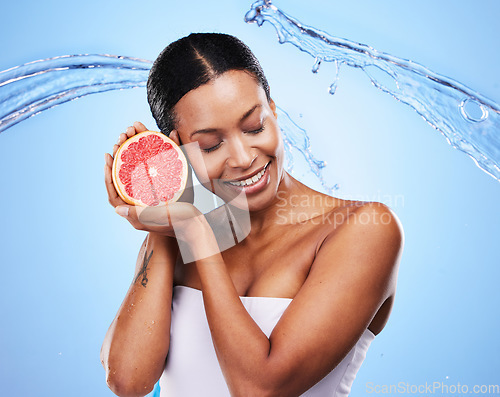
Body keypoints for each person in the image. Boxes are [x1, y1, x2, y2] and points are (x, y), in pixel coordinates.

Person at [101, 33, 403, 397]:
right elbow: (128, 381)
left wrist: (197, 235)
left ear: (273, 111)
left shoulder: (361, 231)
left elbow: (260, 389)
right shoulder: (180, 231)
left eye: (254, 126)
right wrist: (163, 206)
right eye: (211, 145)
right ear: (178, 149)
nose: (244, 158)